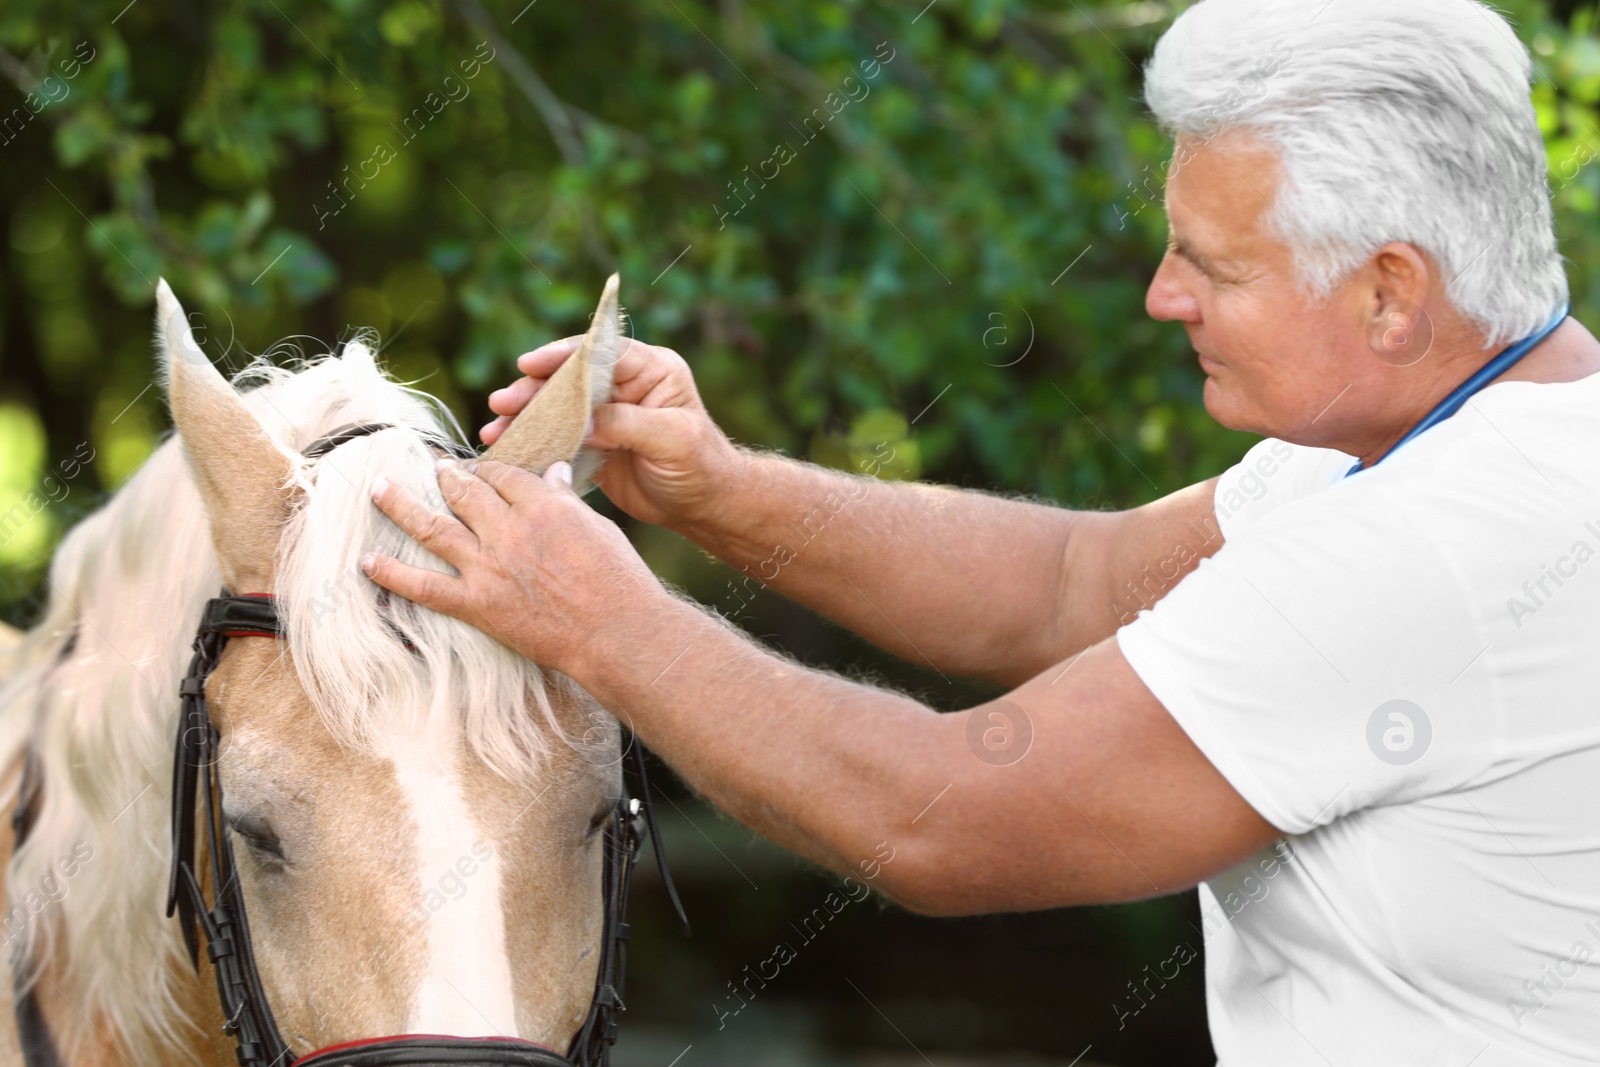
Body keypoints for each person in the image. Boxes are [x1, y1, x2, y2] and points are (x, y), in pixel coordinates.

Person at [360, 0, 1600, 1062]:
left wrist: (603, 619)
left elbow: (943, 818)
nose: (1164, 296)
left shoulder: (1433, 547)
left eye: (1211, 268)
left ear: (1390, 291)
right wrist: (720, 488)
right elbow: (1074, 580)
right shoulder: (1441, 450)